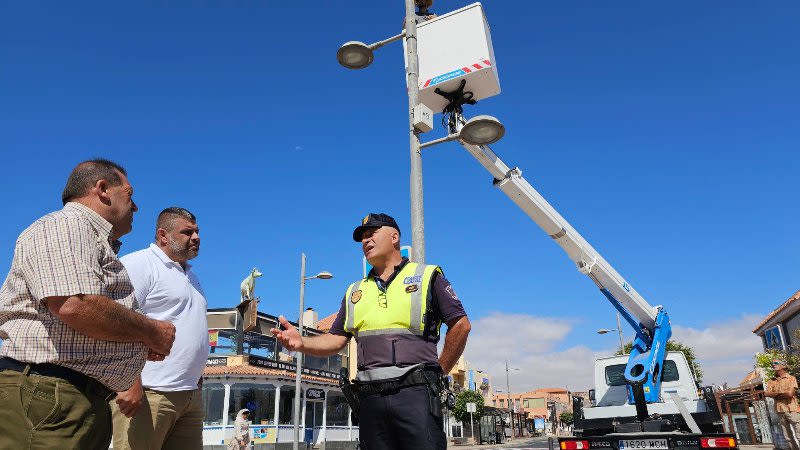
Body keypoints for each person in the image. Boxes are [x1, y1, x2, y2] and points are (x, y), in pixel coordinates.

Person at [0, 159, 176, 450]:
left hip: (65, 398)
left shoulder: (85, 236)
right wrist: (150, 331)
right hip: (50, 396)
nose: (136, 207)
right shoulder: (66, 225)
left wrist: (132, 345)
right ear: (103, 189)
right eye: (130, 195)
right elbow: (74, 304)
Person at [271, 213, 471, 450]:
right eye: (363, 237)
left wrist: (440, 371)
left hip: (416, 395)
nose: (366, 241)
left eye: (372, 233)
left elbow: (461, 324)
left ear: (394, 236)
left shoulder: (427, 277)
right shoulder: (355, 291)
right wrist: (301, 342)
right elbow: (336, 340)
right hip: (370, 400)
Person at [111, 207, 208, 449]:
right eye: (187, 232)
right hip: (148, 392)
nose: (196, 237)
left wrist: (196, 373)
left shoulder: (191, 276)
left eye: (197, 231)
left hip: (189, 394)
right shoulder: (139, 264)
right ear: (163, 235)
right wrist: (129, 382)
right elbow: (115, 322)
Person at [766, 359, 800, 450]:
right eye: (772, 363)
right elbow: (767, 394)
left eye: (776, 363)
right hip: (780, 410)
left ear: (783, 366)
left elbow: (790, 394)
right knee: (788, 438)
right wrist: (782, 394)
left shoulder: (791, 378)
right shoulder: (771, 381)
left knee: (799, 435)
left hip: (792, 409)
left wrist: (775, 395)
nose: (773, 365)